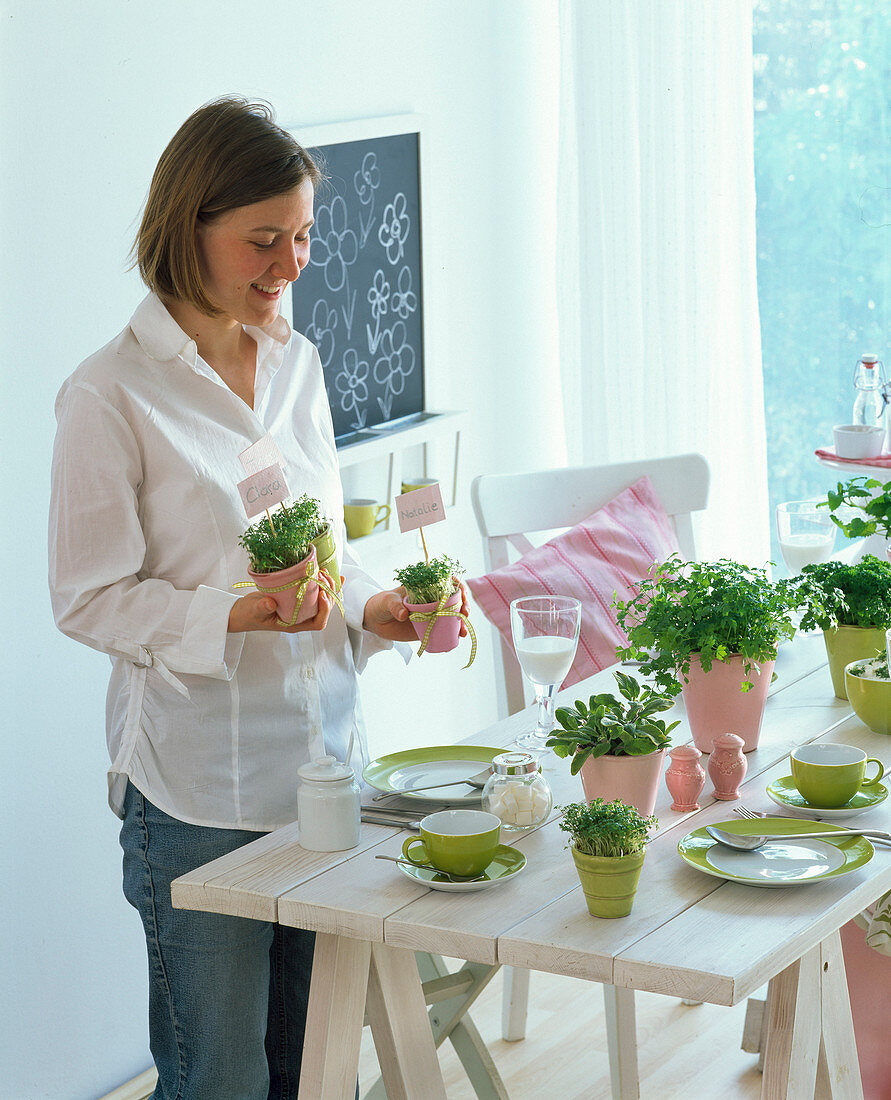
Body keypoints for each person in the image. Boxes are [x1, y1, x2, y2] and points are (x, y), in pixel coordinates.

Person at [48, 95, 464, 1099]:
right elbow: (87, 597)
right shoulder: (109, 393)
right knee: (220, 1076)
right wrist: (235, 612)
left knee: (310, 1069)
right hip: (198, 792)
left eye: (306, 235)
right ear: (187, 228)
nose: (293, 264)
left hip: (321, 775)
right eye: (265, 239)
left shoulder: (297, 364)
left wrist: (374, 609)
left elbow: (321, 548)